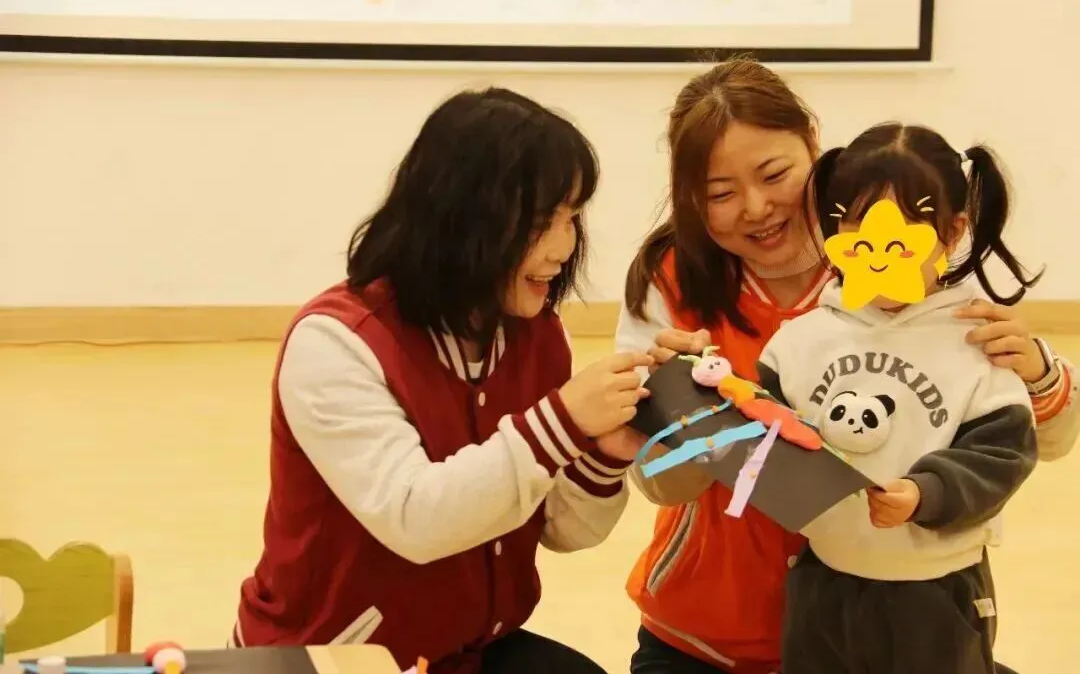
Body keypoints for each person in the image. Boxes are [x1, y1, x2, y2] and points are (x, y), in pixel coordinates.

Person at [616, 57, 1078, 674]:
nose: (756, 207)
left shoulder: (924, 285)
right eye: (720, 193)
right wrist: (681, 408)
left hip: (893, 621)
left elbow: (1036, 442)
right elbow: (658, 481)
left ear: (813, 145)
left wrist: (1041, 374)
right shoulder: (671, 279)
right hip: (709, 633)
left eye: (774, 174)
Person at [230, 87, 652, 674]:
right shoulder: (334, 343)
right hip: (329, 659)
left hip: (461, 650)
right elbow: (415, 518)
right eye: (540, 223)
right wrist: (562, 423)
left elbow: (563, 531)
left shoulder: (536, 336)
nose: (564, 247)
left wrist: (605, 453)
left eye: (572, 218)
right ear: (457, 219)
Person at [757, 122, 1039, 673]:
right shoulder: (799, 342)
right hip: (825, 578)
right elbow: (767, 429)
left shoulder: (978, 341)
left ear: (952, 231)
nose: (881, 246)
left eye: (909, 223)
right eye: (857, 221)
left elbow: (1003, 454)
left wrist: (925, 492)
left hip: (935, 589)